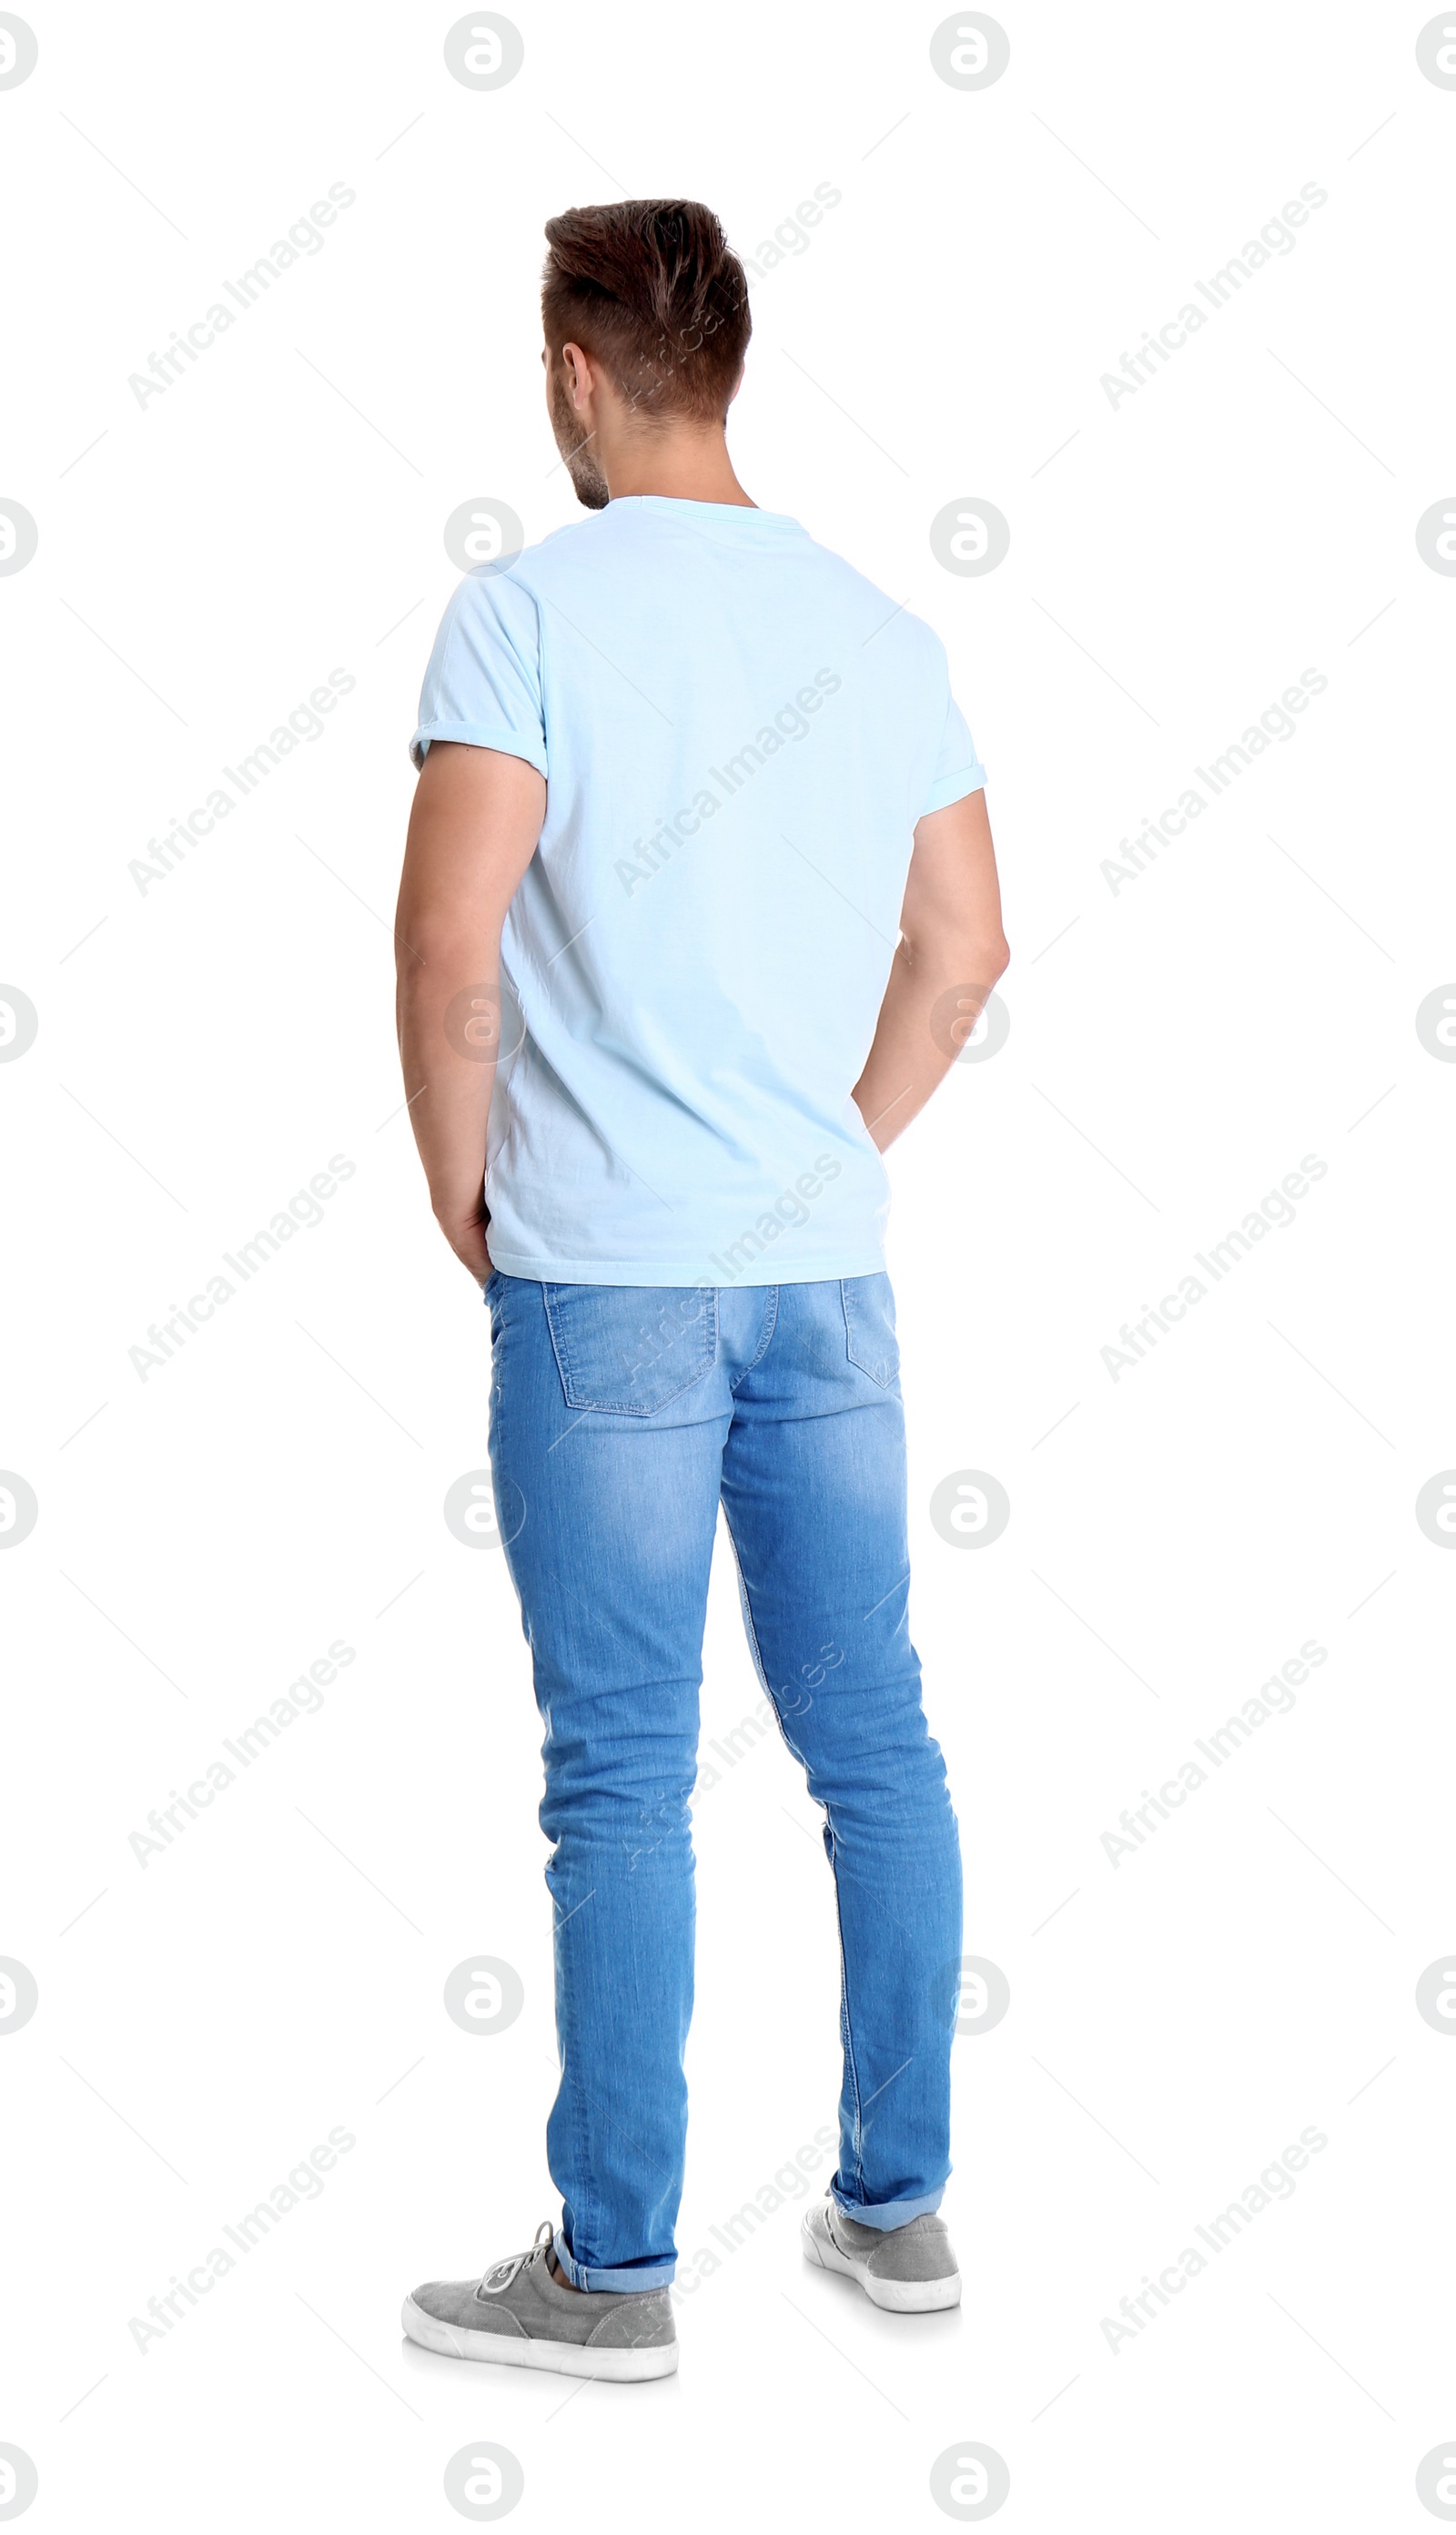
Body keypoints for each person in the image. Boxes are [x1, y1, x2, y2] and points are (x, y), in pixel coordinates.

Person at [394, 199, 1008, 2382]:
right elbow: (965, 948)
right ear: (721, 363)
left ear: (574, 374)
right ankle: (896, 2212)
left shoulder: (521, 611)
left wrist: (460, 1186)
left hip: (608, 1281)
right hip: (818, 1269)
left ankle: (617, 2269)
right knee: (875, 1739)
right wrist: (833, 1141)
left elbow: (448, 943)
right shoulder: (871, 624)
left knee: (622, 1775)